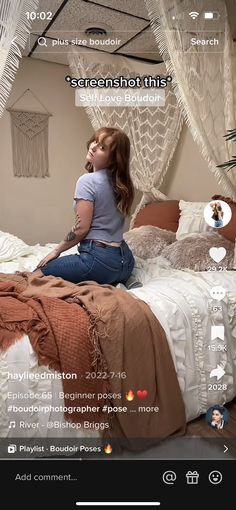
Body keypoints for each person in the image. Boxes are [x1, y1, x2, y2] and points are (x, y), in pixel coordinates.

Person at [34, 127, 135, 285]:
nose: (93, 147)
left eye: (102, 147)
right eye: (95, 141)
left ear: (114, 158)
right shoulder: (122, 184)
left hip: (99, 262)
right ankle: (120, 281)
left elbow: (81, 228)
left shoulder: (87, 180)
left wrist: (56, 251)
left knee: (35, 275)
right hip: (126, 263)